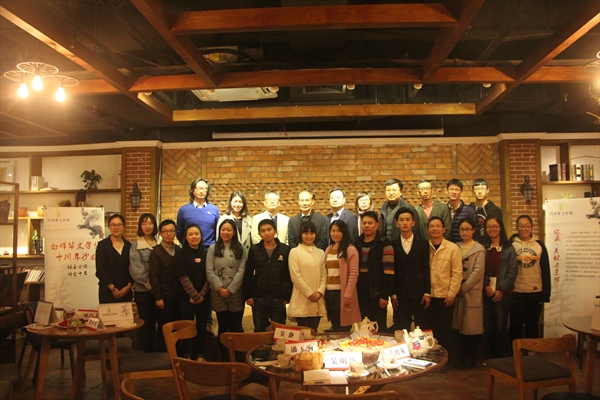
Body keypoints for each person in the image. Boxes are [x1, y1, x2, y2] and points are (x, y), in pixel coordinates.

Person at [206, 220, 246, 360]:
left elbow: (242, 270)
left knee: (235, 326)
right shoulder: (213, 248)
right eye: (223, 229)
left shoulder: (240, 248)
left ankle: (238, 357)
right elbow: (209, 270)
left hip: (235, 292)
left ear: (234, 232)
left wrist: (231, 289)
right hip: (218, 293)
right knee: (222, 326)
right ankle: (224, 357)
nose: (225, 232)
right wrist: (219, 288)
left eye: (229, 230)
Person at [243, 219, 292, 332]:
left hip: (278, 297)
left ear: (275, 231)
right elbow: (248, 273)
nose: (266, 233)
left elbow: (288, 274)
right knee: (259, 329)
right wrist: (248, 295)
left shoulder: (285, 250)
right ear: (259, 233)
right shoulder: (254, 250)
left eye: (269, 230)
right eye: (263, 231)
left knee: (279, 331)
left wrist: (287, 296)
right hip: (259, 297)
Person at [426, 216, 462, 370]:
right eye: (431, 226)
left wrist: (452, 293)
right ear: (427, 230)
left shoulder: (452, 248)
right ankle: (433, 361)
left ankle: (447, 361)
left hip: (445, 296)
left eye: (438, 226)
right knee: (431, 332)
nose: (434, 229)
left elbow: (457, 273)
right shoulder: (424, 247)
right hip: (429, 296)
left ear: (443, 229)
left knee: (445, 330)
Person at [508, 215, 551, 342]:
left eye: (527, 226)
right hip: (516, 291)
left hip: (535, 292)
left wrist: (546, 293)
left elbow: (545, 270)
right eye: (520, 226)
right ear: (517, 227)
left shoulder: (539, 245)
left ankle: (531, 351)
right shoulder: (511, 245)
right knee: (515, 325)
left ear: (531, 227)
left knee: (532, 325)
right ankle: (515, 351)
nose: (524, 229)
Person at [172, 224, 210, 360]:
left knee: (202, 327)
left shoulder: (206, 253)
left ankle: (200, 355)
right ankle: (186, 356)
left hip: (204, 298)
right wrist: (194, 295)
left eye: (196, 234)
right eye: (191, 234)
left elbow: (209, 275)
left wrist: (202, 294)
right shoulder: (180, 253)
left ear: (201, 236)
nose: (194, 237)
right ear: (186, 237)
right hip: (186, 298)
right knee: (186, 327)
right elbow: (182, 277)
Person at [452, 219, 486, 370]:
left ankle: (470, 358)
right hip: (457, 292)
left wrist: (465, 287)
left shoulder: (479, 249)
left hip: (472, 292)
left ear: (473, 231)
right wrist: (456, 287)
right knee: (458, 326)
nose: (464, 232)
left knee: (471, 326)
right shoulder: (455, 247)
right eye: (462, 229)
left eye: (468, 229)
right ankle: (460, 357)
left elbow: (478, 271)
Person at [482, 216, 517, 359]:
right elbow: (481, 269)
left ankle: (499, 357)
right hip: (487, 292)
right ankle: (491, 356)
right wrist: (485, 285)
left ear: (500, 228)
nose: (492, 229)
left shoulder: (509, 248)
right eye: (489, 227)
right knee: (488, 326)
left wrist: (501, 289)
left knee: (500, 326)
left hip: (503, 293)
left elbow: (512, 271)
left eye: (495, 226)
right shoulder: (483, 247)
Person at [354, 211, 395, 333]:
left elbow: (389, 272)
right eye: (364, 223)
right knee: (363, 326)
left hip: (377, 291)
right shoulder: (356, 243)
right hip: (361, 290)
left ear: (377, 225)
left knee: (378, 327)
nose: (366, 226)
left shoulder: (384, 243)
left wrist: (384, 295)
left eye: (370, 223)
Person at [390, 207, 430, 331]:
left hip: (419, 293)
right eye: (401, 220)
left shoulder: (423, 243)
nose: (405, 223)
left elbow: (426, 268)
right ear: (397, 224)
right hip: (400, 293)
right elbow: (392, 270)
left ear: (413, 223)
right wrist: (393, 293)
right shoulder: (392, 244)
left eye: (408, 220)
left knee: (422, 327)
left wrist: (427, 292)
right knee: (401, 328)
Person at [288, 221, 327, 332]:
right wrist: (309, 293)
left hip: (317, 299)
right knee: (303, 333)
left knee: (314, 331)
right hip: (302, 298)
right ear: (301, 234)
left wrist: (320, 292)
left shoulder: (321, 252)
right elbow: (295, 276)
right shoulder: (294, 252)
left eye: (312, 233)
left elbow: (324, 274)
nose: (309, 236)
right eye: (306, 233)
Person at [149, 219, 181, 352]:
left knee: (177, 326)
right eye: (165, 231)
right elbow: (153, 276)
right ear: (161, 233)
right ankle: (162, 354)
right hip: (163, 296)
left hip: (178, 296)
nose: (169, 234)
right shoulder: (156, 252)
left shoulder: (178, 250)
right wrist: (158, 297)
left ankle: (177, 354)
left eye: (171, 231)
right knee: (164, 326)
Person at [324, 220, 361, 332]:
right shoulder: (328, 249)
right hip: (330, 294)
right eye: (333, 231)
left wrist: (348, 294)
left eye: (338, 231)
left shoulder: (350, 249)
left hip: (343, 293)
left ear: (344, 232)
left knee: (344, 329)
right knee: (335, 325)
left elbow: (353, 274)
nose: (335, 234)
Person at [129, 213, 158, 353]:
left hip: (159, 293)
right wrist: (150, 285)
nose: (148, 226)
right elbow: (136, 270)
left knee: (157, 322)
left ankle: (156, 352)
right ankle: (146, 353)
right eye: (144, 223)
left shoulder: (160, 243)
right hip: (143, 292)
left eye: (150, 223)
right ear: (140, 226)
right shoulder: (135, 246)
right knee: (145, 323)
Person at [96, 214, 133, 304]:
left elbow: (133, 268)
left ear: (124, 227)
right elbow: (100, 270)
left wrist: (128, 287)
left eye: (119, 225)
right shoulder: (102, 245)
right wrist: (113, 289)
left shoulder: (129, 246)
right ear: (109, 227)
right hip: (107, 291)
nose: (116, 227)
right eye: (113, 225)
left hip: (125, 291)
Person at [176, 178, 220, 251]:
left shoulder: (214, 209)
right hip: (189, 250)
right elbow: (179, 232)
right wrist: (189, 244)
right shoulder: (183, 210)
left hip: (210, 250)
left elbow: (218, 231)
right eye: (199, 188)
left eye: (204, 188)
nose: (201, 191)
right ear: (193, 190)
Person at [446, 179, 479, 243]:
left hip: (464, 246)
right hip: (447, 246)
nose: (454, 192)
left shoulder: (470, 211)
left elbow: (476, 233)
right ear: (447, 190)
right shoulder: (443, 210)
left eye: (457, 189)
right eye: (451, 189)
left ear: (461, 191)